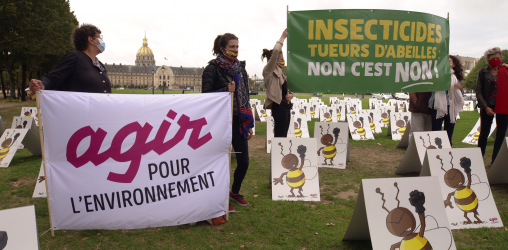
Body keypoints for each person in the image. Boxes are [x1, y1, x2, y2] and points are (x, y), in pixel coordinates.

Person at [202, 33, 253, 212]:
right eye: (232, 47)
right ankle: (221, 197)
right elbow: (206, 96)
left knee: (244, 161)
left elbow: (245, 96)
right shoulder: (212, 68)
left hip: (239, 121)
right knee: (221, 163)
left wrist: (249, 123)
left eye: (237, 47)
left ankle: (234, 192)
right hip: (220, 122)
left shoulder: (240, 68)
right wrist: (226, 89)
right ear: (223, 48)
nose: (235, 50)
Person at [29, 24, 110, 94]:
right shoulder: (75, 57)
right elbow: (54, 78)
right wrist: (41, 84)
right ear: (91, 40)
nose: (102, 41)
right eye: (100, 38)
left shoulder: (100, 65)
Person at [476, 47, 508, 164]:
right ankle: (479, 159)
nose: (496, 60)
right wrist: (485, 107)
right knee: (484, 133)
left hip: (503, 107)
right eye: (493, 59)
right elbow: (479, 91)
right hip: (487, 106)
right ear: (488, 60)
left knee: (501, 134)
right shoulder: (483, 72)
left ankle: (495, 161)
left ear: (501, 58)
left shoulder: (505, 70)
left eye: (498, 58)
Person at [262, 29, 293, 137]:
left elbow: (286, 90)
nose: (283, 61)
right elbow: (276, 51)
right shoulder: (269, 70)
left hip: (286, 107)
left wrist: (290, 96)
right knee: (280, 137)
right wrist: (283, 37)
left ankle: (281, 153)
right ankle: (277, 154)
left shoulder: (282, 74)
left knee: (283, 136)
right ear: (275, 60)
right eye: (281, 59)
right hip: (278, 108)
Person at [428, 55, 464, 145]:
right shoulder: (436, 74)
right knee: (436, 130)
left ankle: (447, 150)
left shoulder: (456, 78)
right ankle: (434, 150)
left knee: (449, 131)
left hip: (451, 107)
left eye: (449, 61)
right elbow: (430, 87)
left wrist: (459, 87)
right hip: (438, 105)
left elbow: (460, 94)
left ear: (454, 65)